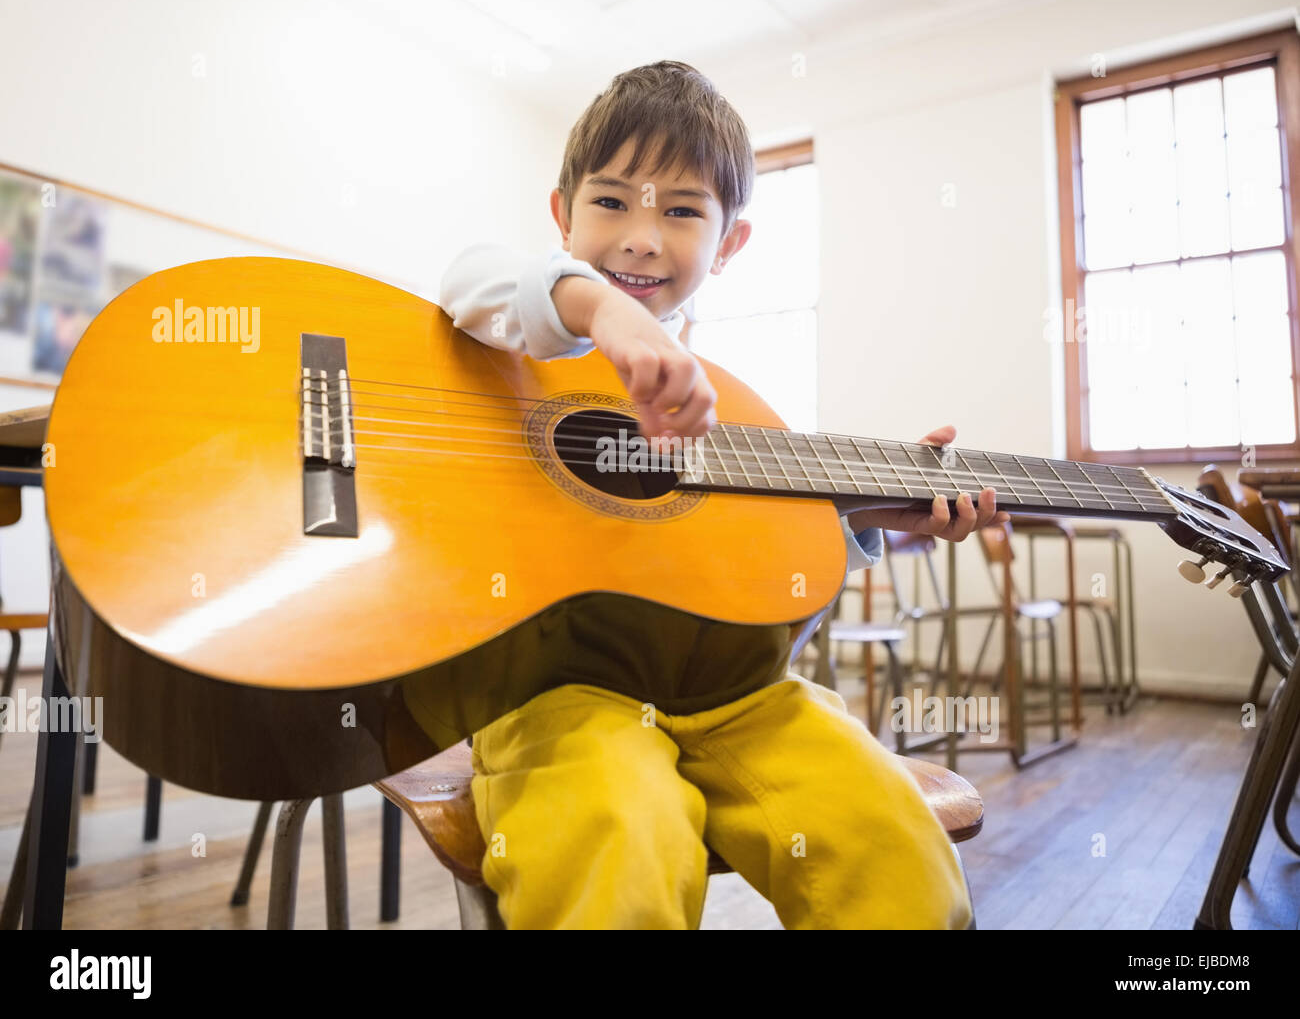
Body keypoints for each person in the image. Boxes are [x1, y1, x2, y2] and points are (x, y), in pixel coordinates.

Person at [431, 60, 1008, 929]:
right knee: (622, 838)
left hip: (740, 698)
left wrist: (855, 517)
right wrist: (602, 315)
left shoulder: (741, 402)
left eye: (683, 211)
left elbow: (770, 592)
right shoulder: (521, 330)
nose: (642, 237)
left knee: (895, 843)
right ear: (562, 215)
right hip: (556, 695)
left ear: (730, 243)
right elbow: (470, 277)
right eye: (612, 201)